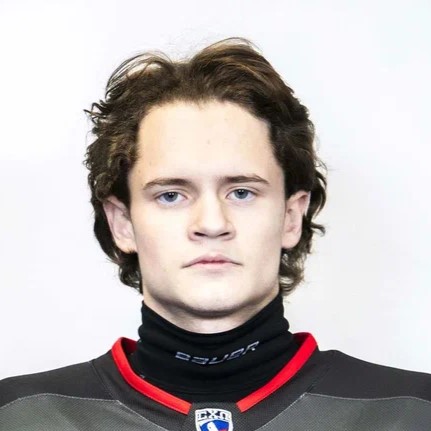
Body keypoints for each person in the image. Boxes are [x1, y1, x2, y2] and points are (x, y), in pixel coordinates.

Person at [1, 37, 430, 431]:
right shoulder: (20, 415)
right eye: (171, 195)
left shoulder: (413, 411)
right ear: (122, 224)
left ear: (290, 216)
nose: (211, 223)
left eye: (242, 192)